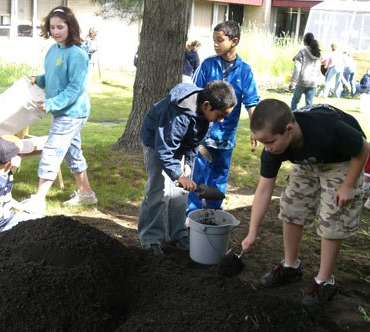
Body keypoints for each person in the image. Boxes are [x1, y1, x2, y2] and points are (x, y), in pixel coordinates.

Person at [241, 99, 369, 306]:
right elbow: (264, 189)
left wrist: (348, 185)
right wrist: (252, 231)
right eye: (263, 143)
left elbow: (363, 148)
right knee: (292, 206)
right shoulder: (274, 148)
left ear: (289, 129)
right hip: (310, 161)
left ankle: (324, 281)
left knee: (333, 217)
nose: (268, 148)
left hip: (343, 159)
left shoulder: (325, 127)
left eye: (270, 142)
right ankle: (290, 267)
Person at [139, 80, 237, 256]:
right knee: (157, 189)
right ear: (207, 105)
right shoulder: (178, 113)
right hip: (156, 143)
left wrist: (187, 166)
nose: (221, 120)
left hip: (176, 145)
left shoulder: (204, 111)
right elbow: (164, 150)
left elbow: (194, 141)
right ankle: (151, 238)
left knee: (180, 192)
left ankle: (177, 234)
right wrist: (178, 175)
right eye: (220, 115)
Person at [29, 6, 97, 217]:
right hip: (63, 111)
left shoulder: (77, 54)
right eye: (52, 27)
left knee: (52, 150)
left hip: (73, 112)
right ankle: (86, 193)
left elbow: (75, 88)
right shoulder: (53, 49)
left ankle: (38, 200)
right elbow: (52, 77)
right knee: (71, 151)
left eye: (60, 26)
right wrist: (38, 80)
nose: (56, 31)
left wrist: (51, 104)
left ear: (70, 26)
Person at [188, 20, 260, 212]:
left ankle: (213, 211)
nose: (215, 44)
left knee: (219, 176)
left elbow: (251, 101)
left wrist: (255, 128)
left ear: (234, 41)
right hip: (203, 135)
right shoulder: (207, 65)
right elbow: (194, 94)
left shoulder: (245, 70)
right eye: (214, 40)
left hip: (226, 137)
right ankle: (192, 213)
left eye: (220, 40)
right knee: (197, 175)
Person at [288, 33, 321, 110]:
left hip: (302, 81)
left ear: (304, 41)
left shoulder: (302, 52)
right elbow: (318, 69)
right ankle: (308, 120)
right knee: (309, 104)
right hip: (313, 82)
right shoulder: (318, 53)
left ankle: (293, 118)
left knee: (295, 102)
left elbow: (297, 68)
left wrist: (292, 82)